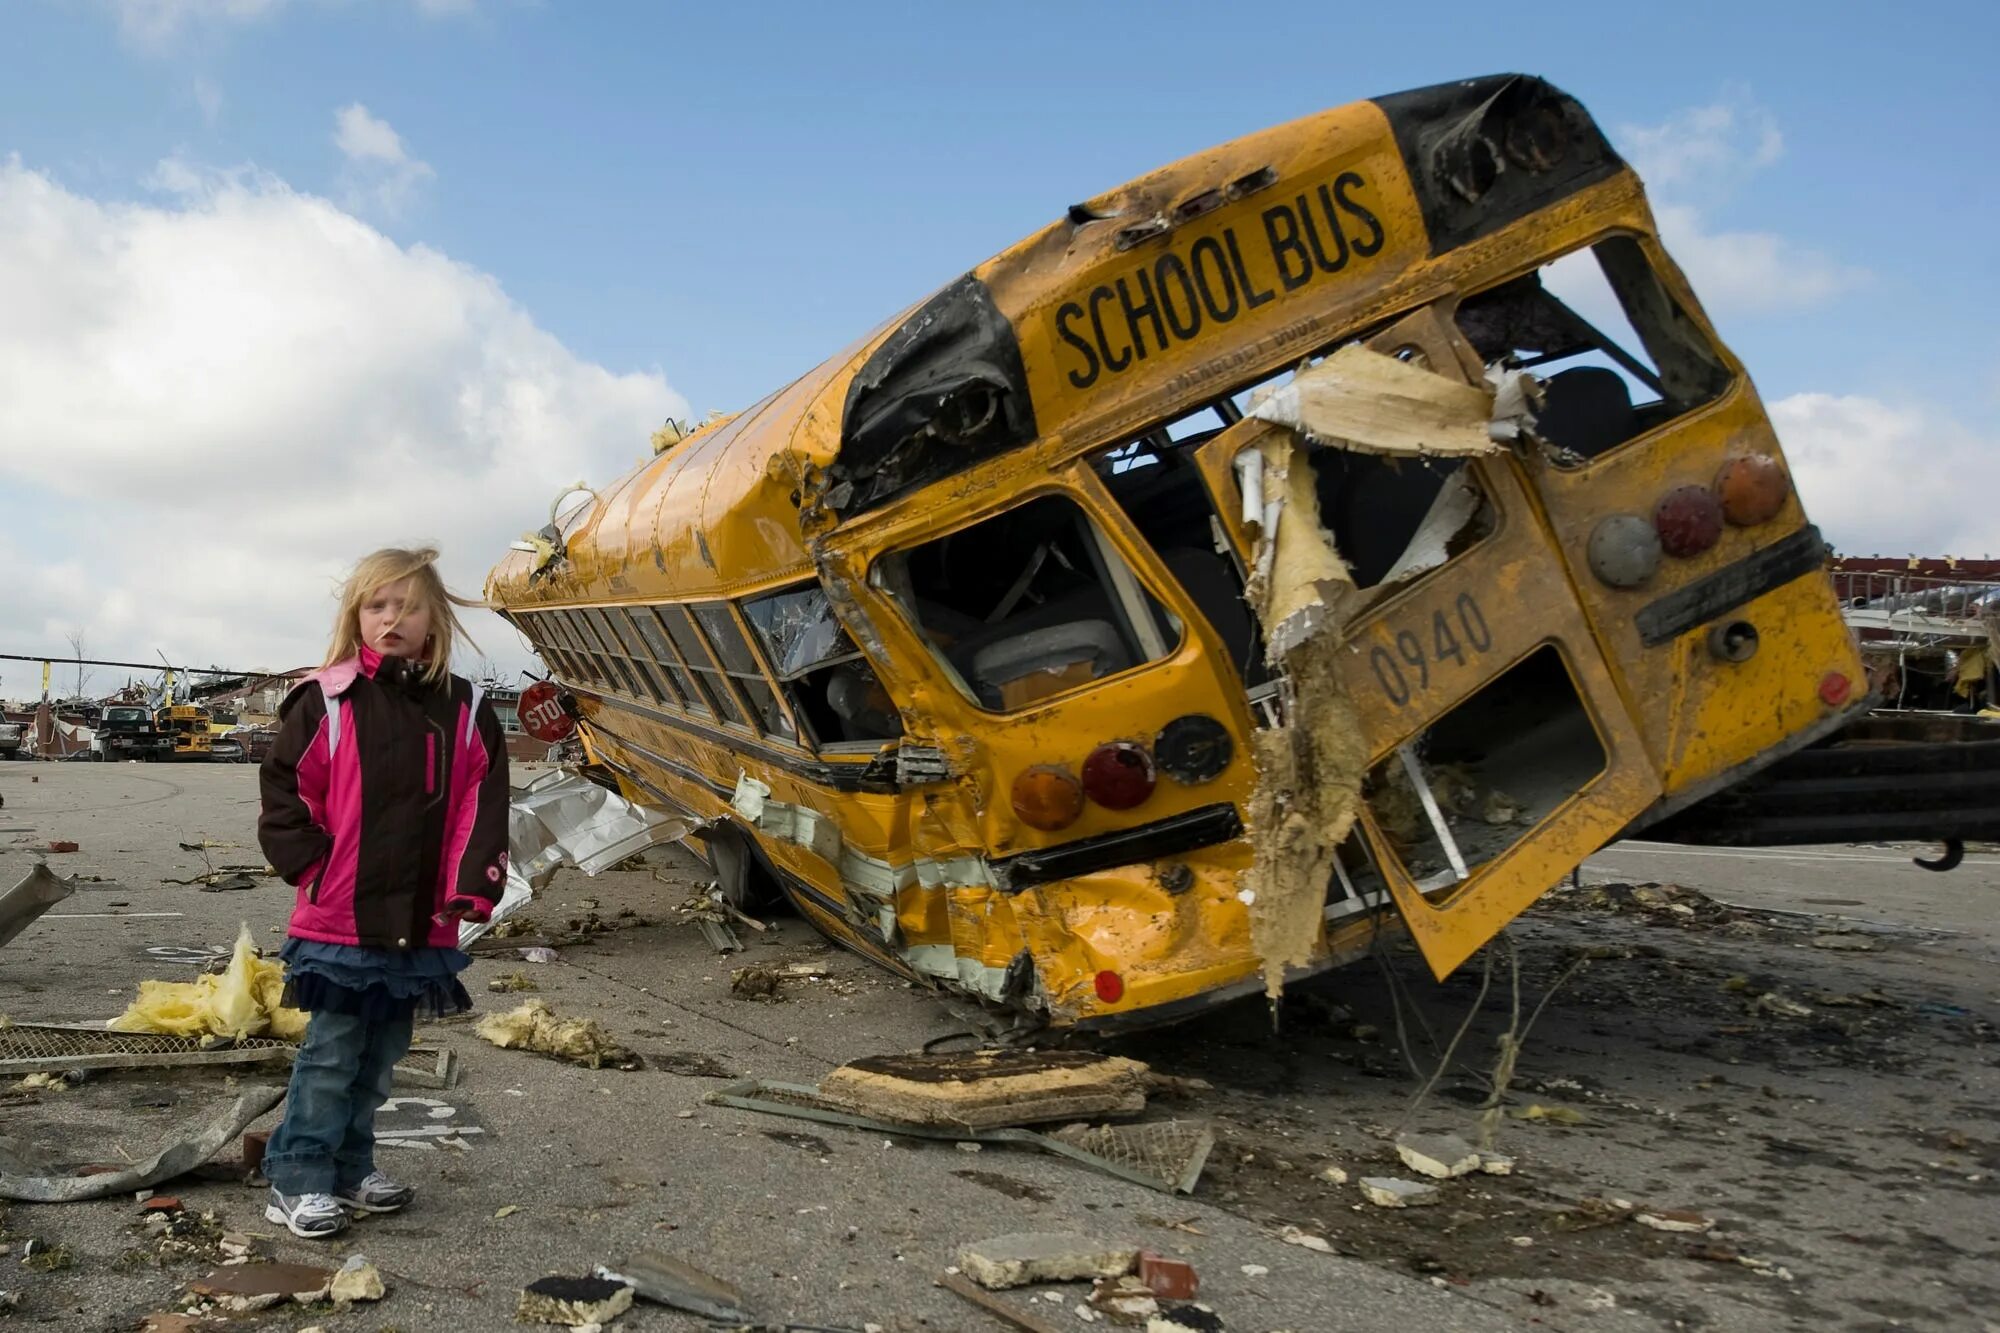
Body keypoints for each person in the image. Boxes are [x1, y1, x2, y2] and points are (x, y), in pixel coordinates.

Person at [256, 547, 510, 1238]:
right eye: (377, 605)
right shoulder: (328, 698)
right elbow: (286, 788)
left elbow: (483, 803)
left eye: (408, 605)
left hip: (420, 919)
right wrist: (311, 862)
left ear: (435, 620)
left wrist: (470, 885)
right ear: (356, 617)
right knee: (334, 1049)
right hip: (340, 914)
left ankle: (350, 1165)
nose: (392, 618)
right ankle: (297, 1174)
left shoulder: (466, 708)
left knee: (382, 1051)